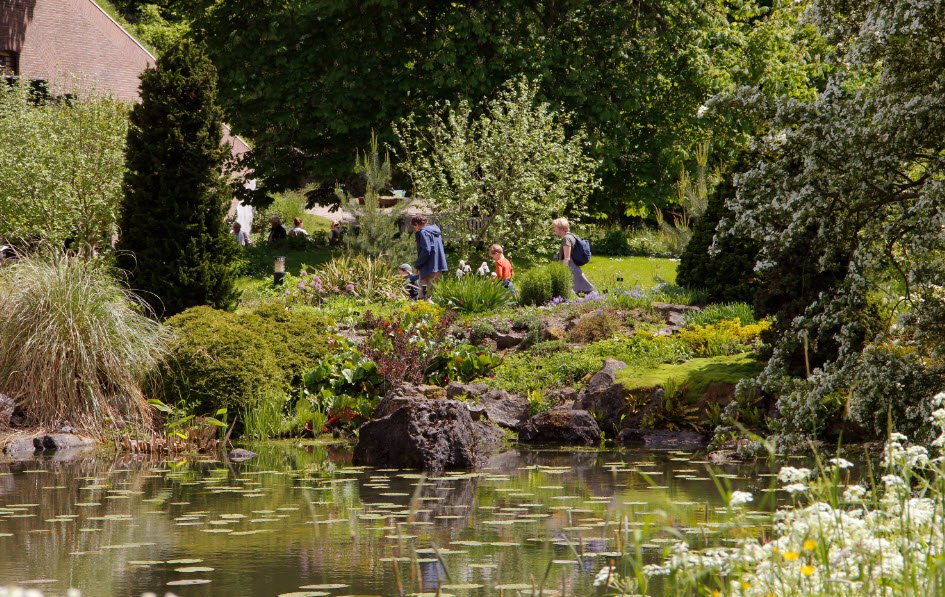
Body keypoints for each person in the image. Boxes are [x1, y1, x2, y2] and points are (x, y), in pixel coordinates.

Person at [552, 217, 594, 294]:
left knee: (575, 284)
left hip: (570, 265)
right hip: (573, 265)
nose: (554, 229)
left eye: (555, 227)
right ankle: (587, 293)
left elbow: (567, 258)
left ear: (561, 228)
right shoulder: (570, 236)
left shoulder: (566, 238)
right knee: (579, 281)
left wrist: (563, 271)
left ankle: (586, 294)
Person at [411, 215, 448, 298]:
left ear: (416, 224)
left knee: (424, 296)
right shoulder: (436, 232)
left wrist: (417, 265)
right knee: (434, 296)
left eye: (414, 227)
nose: (415, 229)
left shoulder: (423, 232)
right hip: (439, 267)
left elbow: (426, 250)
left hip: (428, 269)